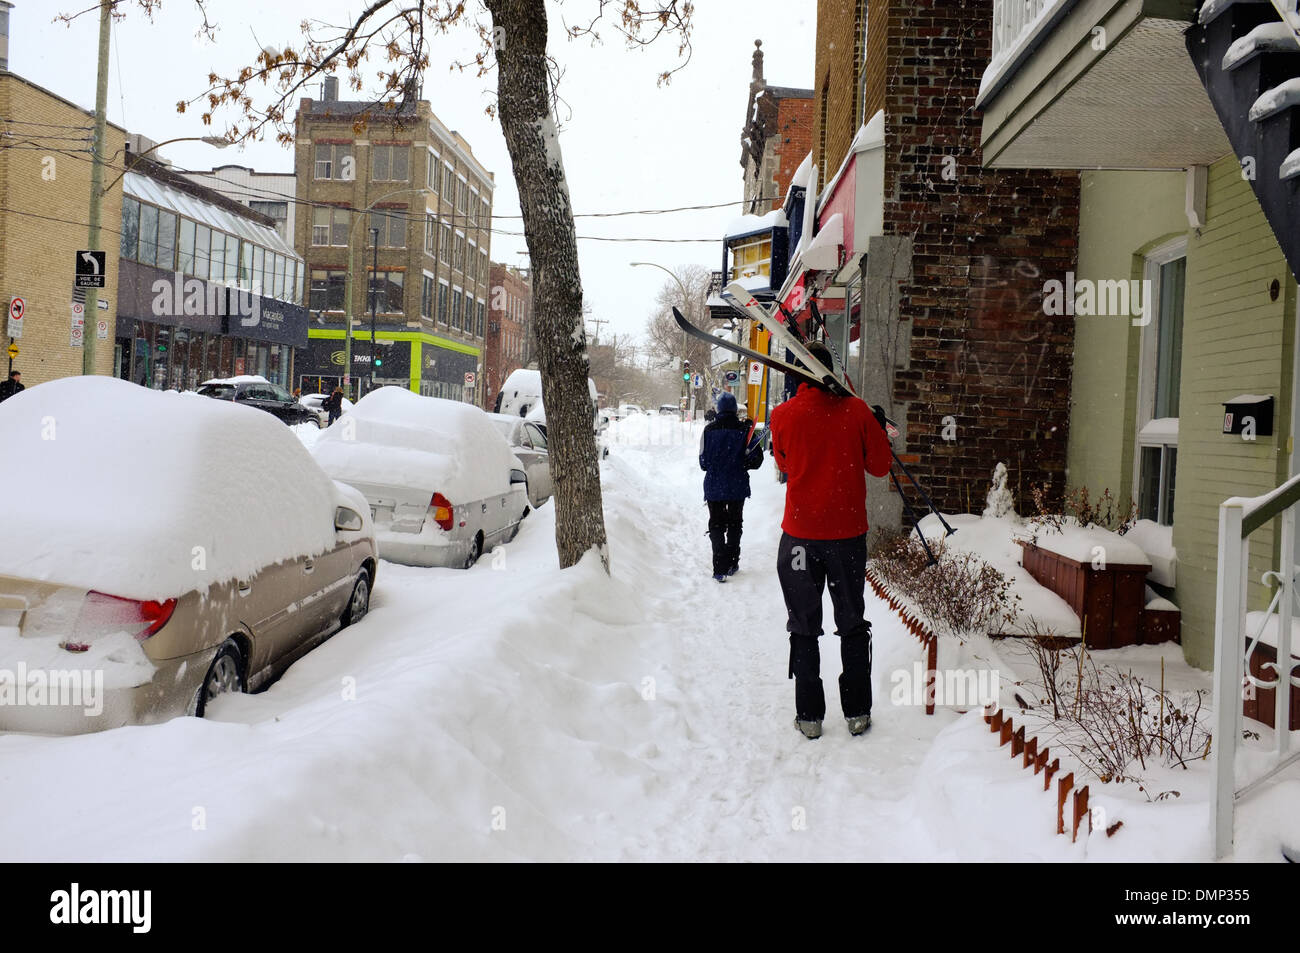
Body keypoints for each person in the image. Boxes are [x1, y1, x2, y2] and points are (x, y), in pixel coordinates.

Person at [769, 341, 892, 740]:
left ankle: (809, 716)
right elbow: (879, 467)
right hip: (846, 539)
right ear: (833, 372)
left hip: (801, 539)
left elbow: (785, 464)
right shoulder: (856, 412)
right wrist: (875, 426)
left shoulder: (783, 415)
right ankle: (856, 711)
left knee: (803, 625)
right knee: (851, 622)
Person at [699, 392, 763, 583]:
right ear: (735, 410)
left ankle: (719, 567)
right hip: (737, 486)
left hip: (714, 486)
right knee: (735, 523)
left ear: (718, 409)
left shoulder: (708, 431)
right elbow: (757, 460)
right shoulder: (745, 431)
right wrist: (742, 461)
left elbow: (703, 462)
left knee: (716, 524)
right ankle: (732, 562)